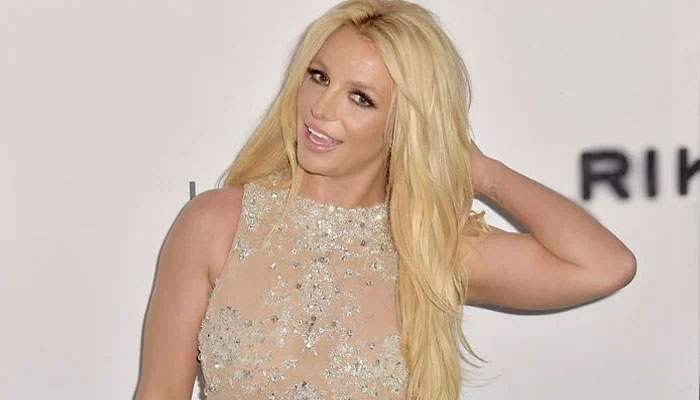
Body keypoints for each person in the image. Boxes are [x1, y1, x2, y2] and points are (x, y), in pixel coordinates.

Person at [134, 0, 637, 399]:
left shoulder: (426, 248)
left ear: (403, 125)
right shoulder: (215, 224)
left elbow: (604, 266)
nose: (321, 108)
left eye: (361, 98)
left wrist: (482, 172)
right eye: (318, 76)